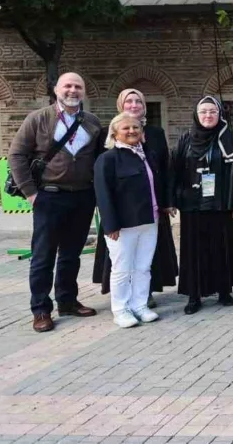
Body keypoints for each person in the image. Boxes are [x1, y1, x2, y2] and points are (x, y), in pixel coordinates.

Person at [8, 72, 103, 333]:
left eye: (78, 86)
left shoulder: (92, 122)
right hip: (48, 196)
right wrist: (30, 192)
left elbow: (100, 159)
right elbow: (16, 154)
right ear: (57, 90)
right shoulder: (38, 119)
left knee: (71, 254)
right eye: (67, 86)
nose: (72, 91)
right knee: (43, 256)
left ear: (84, 91)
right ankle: (40, 309)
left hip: (82, 196)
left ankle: (68, 300)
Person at [93, 89, 177, 308]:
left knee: (145, 260)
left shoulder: (154, 135)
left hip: (150, 210)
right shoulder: (106, 145)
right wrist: (109, 219)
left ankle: (143, 298)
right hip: (123, 213)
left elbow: (164, 170)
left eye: (138, 100)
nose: (133, 105)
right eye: (128, 101)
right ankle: (122, 305)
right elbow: (103, 183)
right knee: (122, 262)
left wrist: (166, 202)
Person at [170, 97, 233, 314]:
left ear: (220, 114)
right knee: (194, 252)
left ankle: (224, 290)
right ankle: (194, 295)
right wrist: (172, 200)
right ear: (196, 114)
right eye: (203, 111)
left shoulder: (229, 140)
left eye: (212, 111)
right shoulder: (185, 140)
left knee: (222, 249)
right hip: (193, 206)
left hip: (221, 204)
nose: (208, 116)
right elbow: (174, 172)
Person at [94, 113, 162, 328]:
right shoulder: (107, 159)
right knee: (122, 269)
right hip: (123, 225)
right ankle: (120, 309)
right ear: (115, 133)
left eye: (136, 127)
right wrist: (110, 224)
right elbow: (103, 194)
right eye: (126, 128)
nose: (132, 131)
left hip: (149, 221)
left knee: (143, 267)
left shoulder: (148, 155)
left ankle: (140, 305)